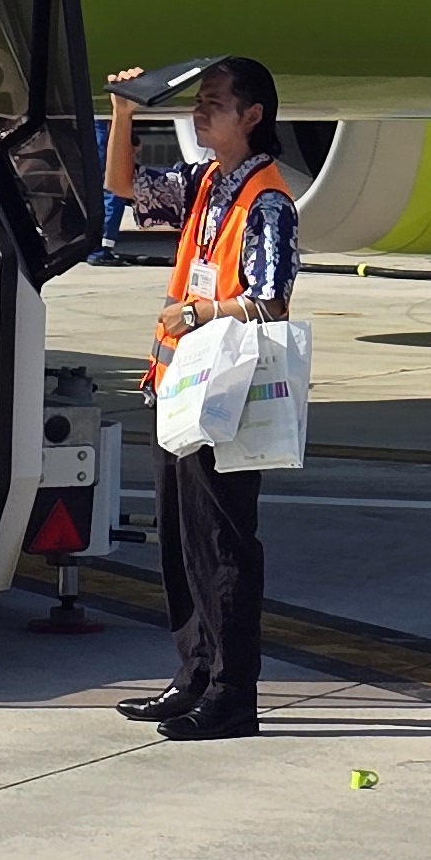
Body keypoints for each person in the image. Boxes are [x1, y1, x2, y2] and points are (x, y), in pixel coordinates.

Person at [107, 57, 297, 743]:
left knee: (222, 543)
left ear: (252, 116)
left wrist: (204, 311)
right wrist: (125, 112)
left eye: (214, 102)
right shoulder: (207, 182)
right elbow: (124, 185)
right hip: (183, 388)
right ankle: (194, 673)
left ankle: (232, 692)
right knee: (182, 539)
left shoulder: (268, 201)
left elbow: (270, 300)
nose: (200, 110)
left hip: (226, 394)